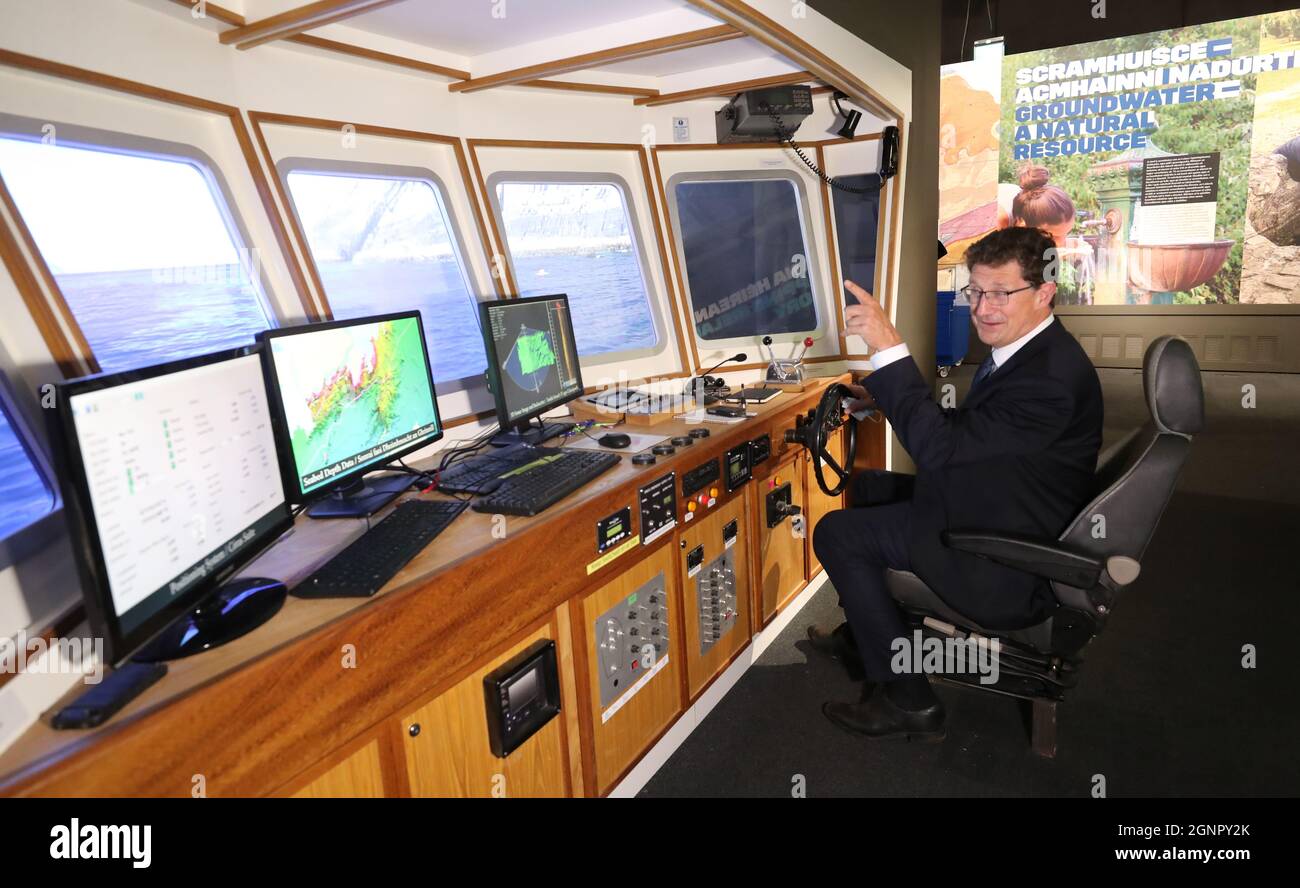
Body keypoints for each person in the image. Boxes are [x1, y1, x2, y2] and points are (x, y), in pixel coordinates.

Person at [810, 226, 1103, 741]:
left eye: (1001, 294)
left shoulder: (1050, 380)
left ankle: (909, 700)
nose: (983, 308)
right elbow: (973, 436)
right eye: (976, 292)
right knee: (870, 488)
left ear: (1044, 292)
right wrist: (882, 398)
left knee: (837, 533)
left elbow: (940, 451)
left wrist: (889, 350)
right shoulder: (1032, 351)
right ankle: (867, 633)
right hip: (1005, 500)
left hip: (1004, 557)